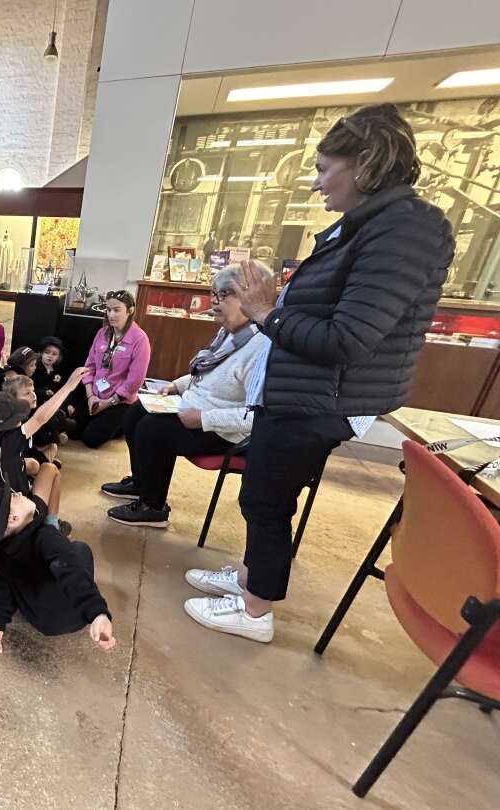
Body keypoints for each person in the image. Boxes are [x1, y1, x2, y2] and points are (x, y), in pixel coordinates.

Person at [182, 104, 455, 644]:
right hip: (302, 394)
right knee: (263, 494)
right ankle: (250, 578)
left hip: (320, 401)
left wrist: (266, 312)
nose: (315, 183)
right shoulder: (367, 226)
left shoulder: (404, 230)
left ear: (366, 163)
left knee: (266, 498)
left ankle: (255, 611)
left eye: (324, 169)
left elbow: (346, 339)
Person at [102, 264, 271, 528]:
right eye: (213, 293)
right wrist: (176, 385)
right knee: (135, 413)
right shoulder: (230, 333)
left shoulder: (262, 347)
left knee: (153, 429)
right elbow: (207, 374)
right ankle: (142, 483)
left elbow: (257, 417)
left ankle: (153, 507)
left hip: (223, 430)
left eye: (223, 294)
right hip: (194, 409)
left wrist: (204, 418)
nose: (214, 302)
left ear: (249, 297)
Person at [0, 480, 116, 657]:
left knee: (10, 576)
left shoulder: (1, 552)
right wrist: (97, 612)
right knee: (80, 549)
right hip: (75, 617)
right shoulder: (46, 535)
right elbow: (71, 571)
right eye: (13, 496)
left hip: (41, 621)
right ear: (13, 518)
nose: (19, 493)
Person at [0, 368, 85, 530]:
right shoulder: (11, 438)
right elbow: (40, 418)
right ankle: (51, 524)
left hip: (0, 500)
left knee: (33, 464)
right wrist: (69, 386)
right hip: (22, 511)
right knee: (50, 468)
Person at [75, 290, 151, 448]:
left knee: (90, 439)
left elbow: (134, 381)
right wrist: (90, 396)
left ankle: (125, 424)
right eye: (108, 310)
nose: (111, 315)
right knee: (74, 430)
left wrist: (108, 403)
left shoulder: (140, 339)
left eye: (117, 310)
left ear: (130, 311)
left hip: (119, 401)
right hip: (96, 394)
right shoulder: (102, 333)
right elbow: (89, 366)